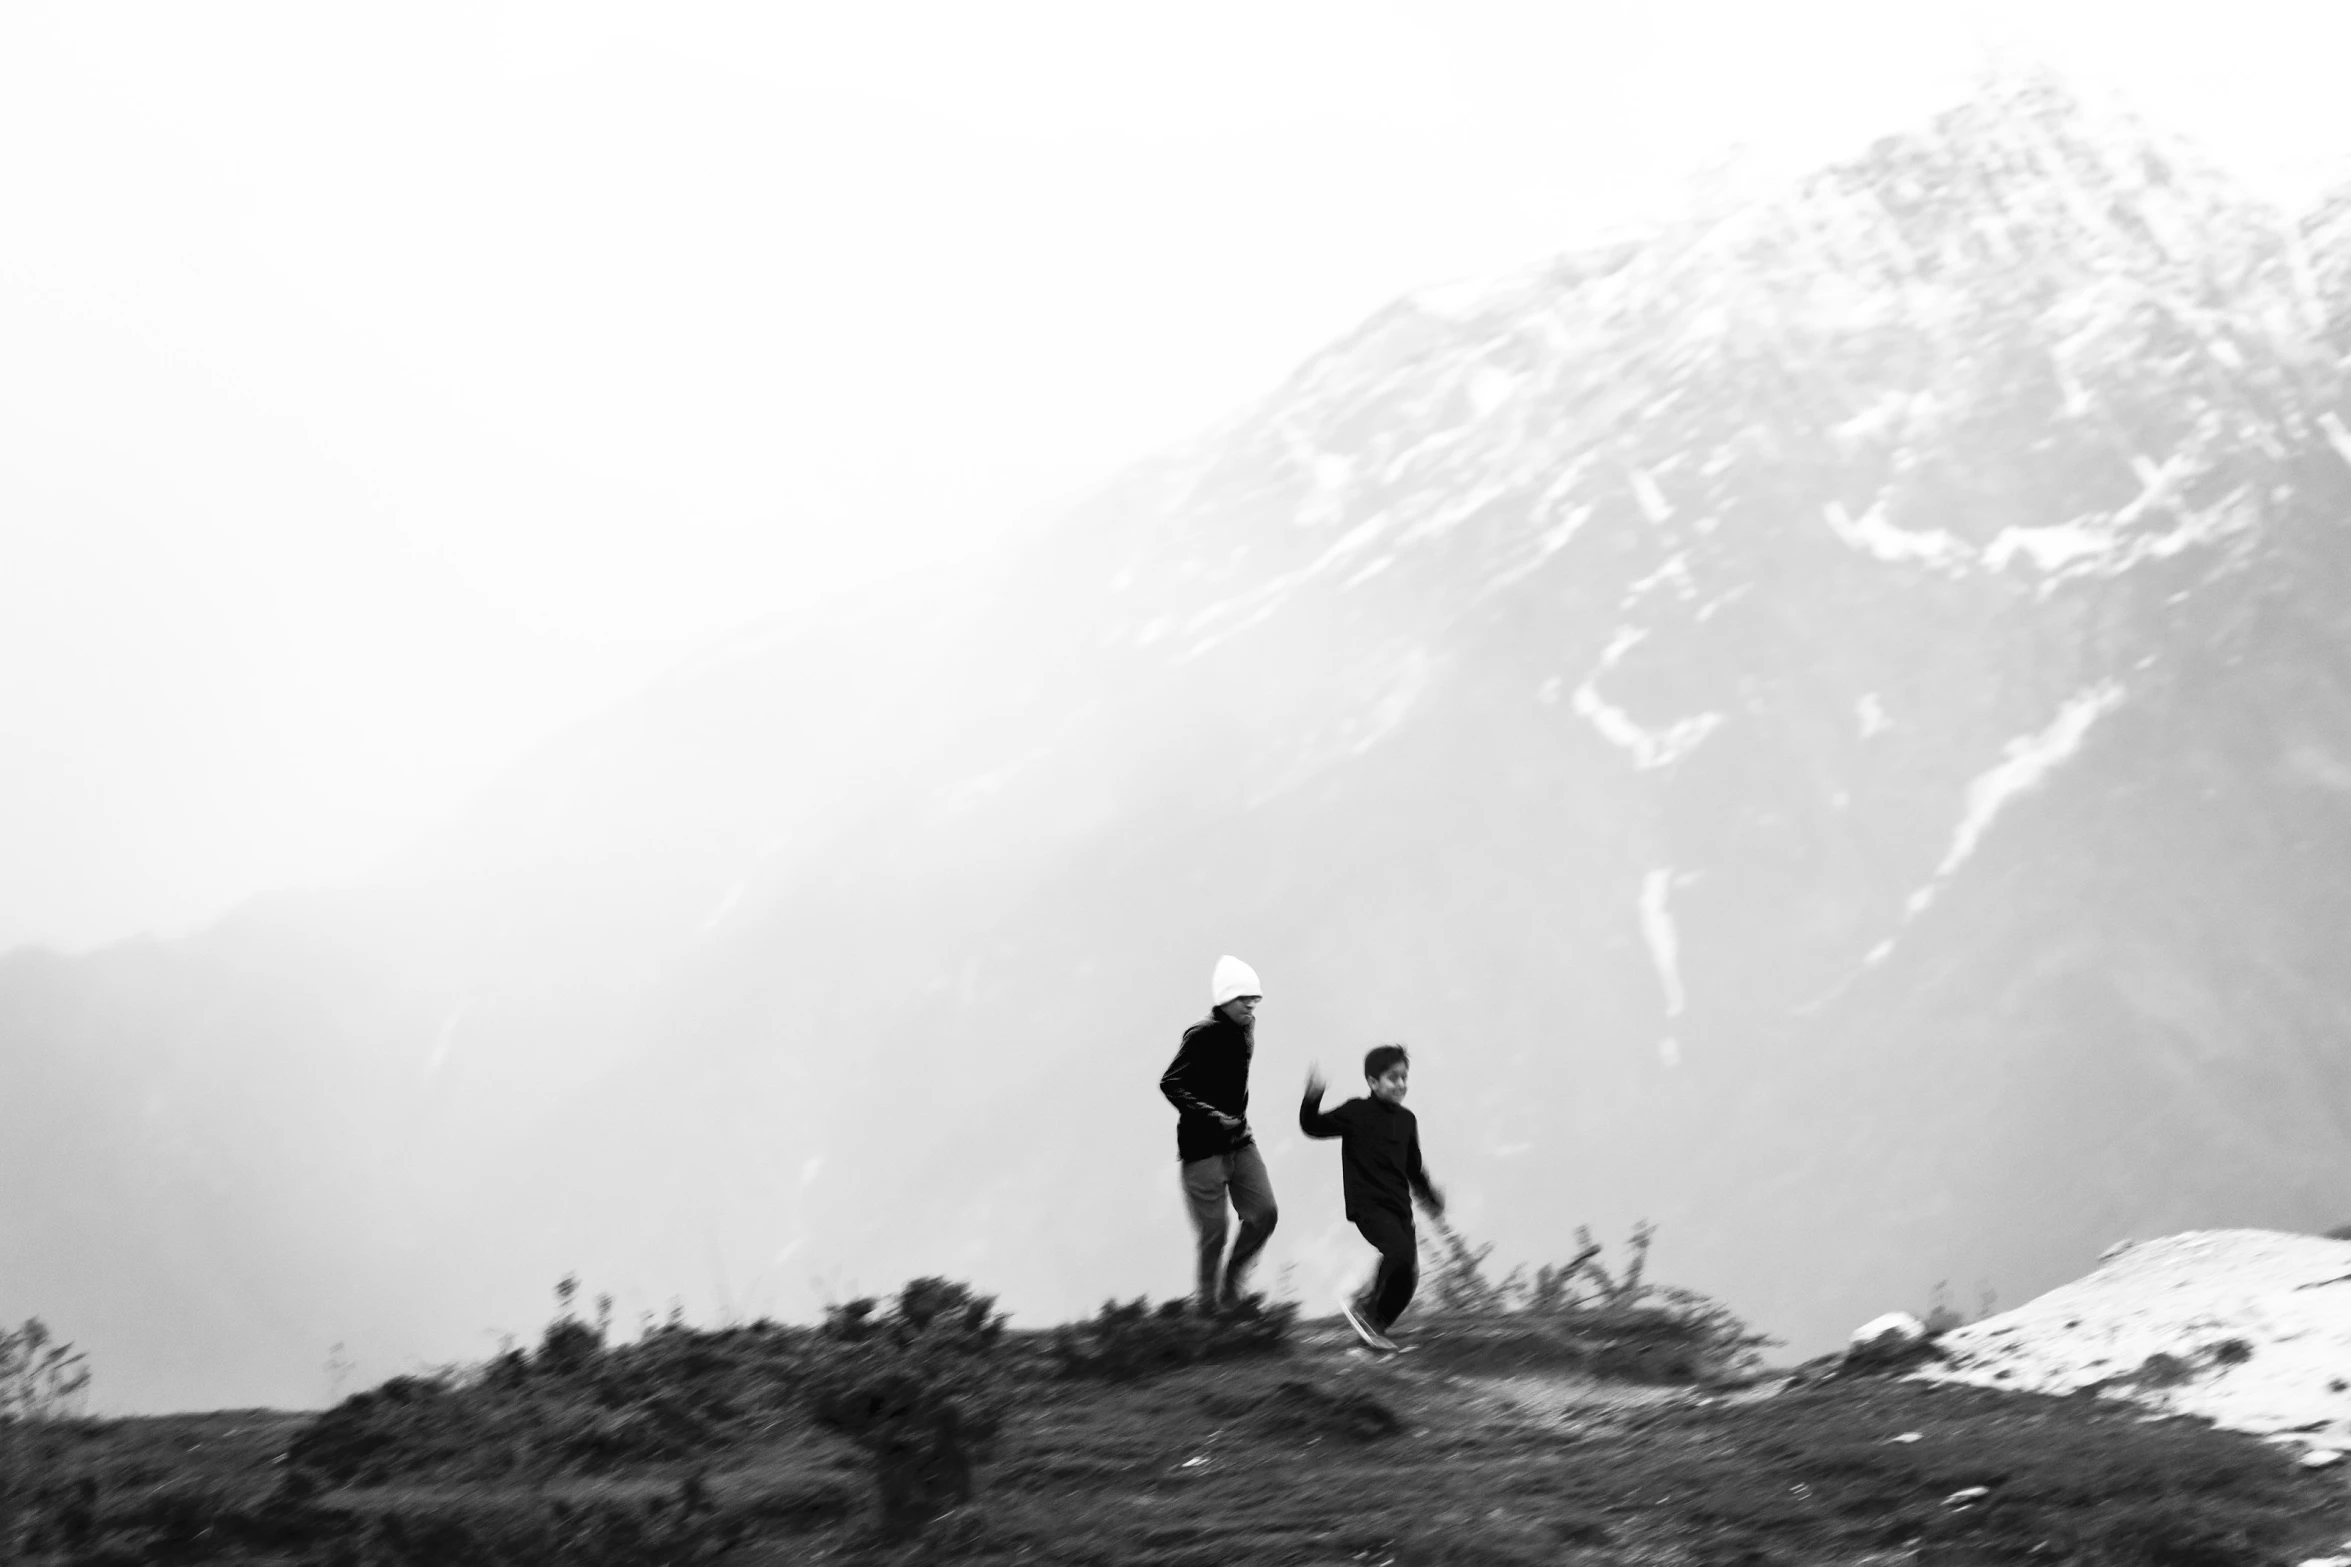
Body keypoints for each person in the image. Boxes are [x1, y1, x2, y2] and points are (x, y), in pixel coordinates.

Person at [1300, 1043, 1443, 1352]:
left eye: (1405, 1077)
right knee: (1400, 1255)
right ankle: (1365, 1304)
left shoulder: (1407, 1121)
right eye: (1393, 1078)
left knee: (1408, 1279)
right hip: (1368, 1207)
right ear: (1372, 1082)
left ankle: (1372, 1333)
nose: (1401, 1084)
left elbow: (1413, 1169)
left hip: (1399, 1210)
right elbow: (1312, 1127)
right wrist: (1312, 1098)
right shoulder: (1355, 1112)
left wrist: (1431, 1199)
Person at [1160, 955, 1278, 1316]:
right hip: (1202, 1149)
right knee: (1214, 1232)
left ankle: (1232, 1286)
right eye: (1245, 999)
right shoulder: (1201, 1035)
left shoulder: (1246, 1030)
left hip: (1241, 1142)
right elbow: (1171, 1083)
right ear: (1225, 998)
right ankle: (1208, 1311)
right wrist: (1212, 1117)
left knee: (1264, 1213)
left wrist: (1233, 1121)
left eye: (1255, 1000)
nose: (1251, 1006)